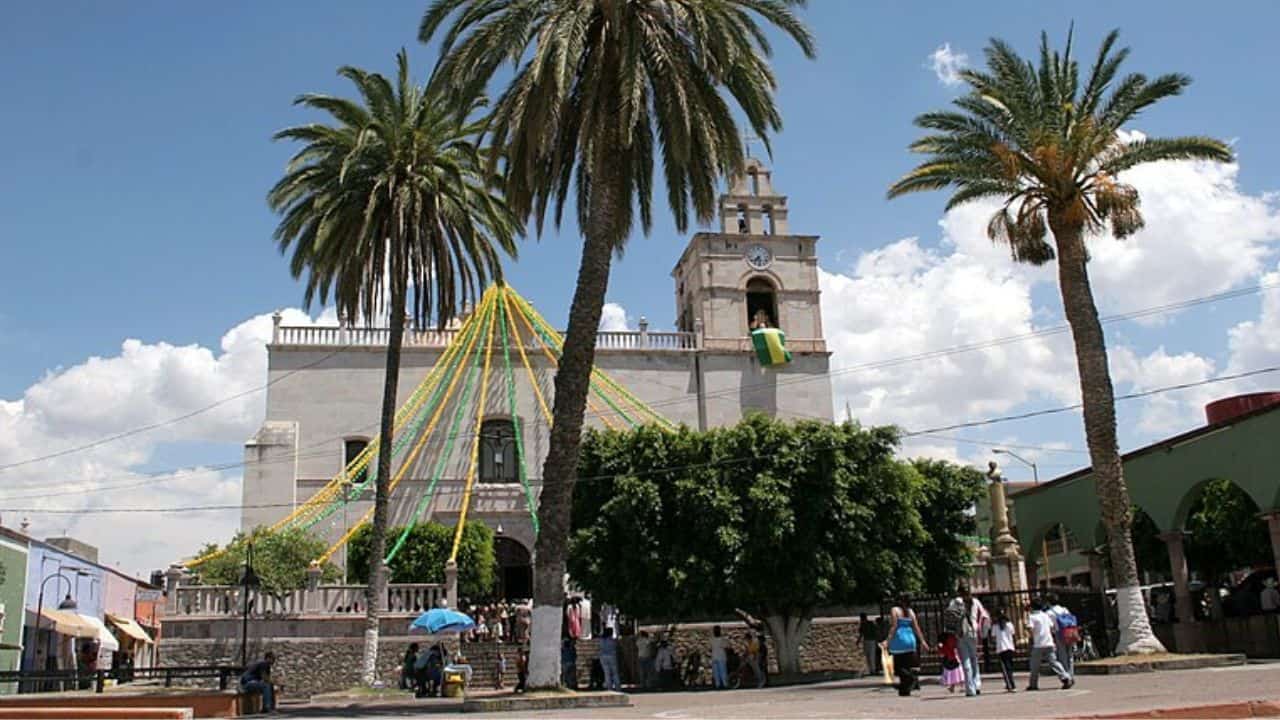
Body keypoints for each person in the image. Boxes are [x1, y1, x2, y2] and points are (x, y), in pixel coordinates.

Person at [946, 583, 989, 697]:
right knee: (974, 658)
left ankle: (970, 689)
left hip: (960, 633)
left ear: (958, 591)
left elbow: (949, 617)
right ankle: (977, 684)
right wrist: (982, 631)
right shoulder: (975, 601)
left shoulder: (955, 602)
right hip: (973, 632)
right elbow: (984, 616)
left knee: (965, 660)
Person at [883, 595, 930, 697]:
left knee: (899, 666)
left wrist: (887, 640)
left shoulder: (895, 610)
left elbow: (894, 626)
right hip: (910, 640)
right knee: (906, 666)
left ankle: (911, 678)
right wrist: (923, 641)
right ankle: (904, 689)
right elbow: (916, 628)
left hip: (899, 640)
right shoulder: (910, 611)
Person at [1027, 599, 1073, 691]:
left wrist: (1031, 637)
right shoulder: (1045, 615)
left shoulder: (1032, 617)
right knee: (1054, 662)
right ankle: (1066, 677)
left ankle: (1033, 684)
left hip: (1038, 644)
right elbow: (1052, 627)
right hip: (1049, 642)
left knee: (1034, 665)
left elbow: (1030, 629)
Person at [1047, 593, 1079, 678]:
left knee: (1062, 655)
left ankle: (1066, 674)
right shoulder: (1064, 609)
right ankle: (1071, 673)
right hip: (1069, 631)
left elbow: (1051, 626)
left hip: (1059, 633)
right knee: (1070, 654)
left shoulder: (1049, 612)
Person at [990, 609, 1017, 692]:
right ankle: (1011, 683)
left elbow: (993, 638)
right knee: (1010, 667)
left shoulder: (995, 626)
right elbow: (1013, 635)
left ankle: (1010, 684)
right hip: (1010, 647)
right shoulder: (1010, 625)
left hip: (1001, 648)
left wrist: (994, 644)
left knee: (1005, 668)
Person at [858, 613, 880, 678]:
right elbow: (861, 634)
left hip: (870, 640)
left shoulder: (869, 624)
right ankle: (871, 670)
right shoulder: (865, 624)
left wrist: (858, 641)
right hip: (868, 640)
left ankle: (873, 670)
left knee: (871, 656)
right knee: (868, 656)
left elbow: (874, 632)